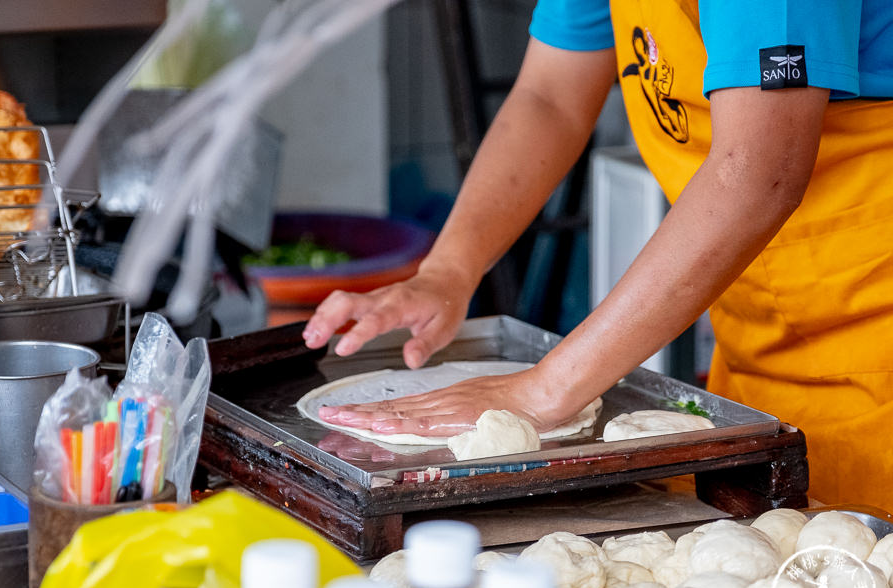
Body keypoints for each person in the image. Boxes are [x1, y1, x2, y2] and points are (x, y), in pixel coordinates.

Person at [302, 1, 893, 508]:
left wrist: (543, 390)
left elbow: (760, 174)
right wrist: (449, 270)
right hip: (760, 345)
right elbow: (549, 96)